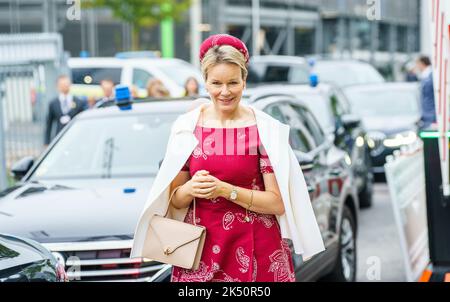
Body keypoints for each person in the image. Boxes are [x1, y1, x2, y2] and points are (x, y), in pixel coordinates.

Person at [130, 34, 324, 282]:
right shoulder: (187, 127)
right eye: (216, 83)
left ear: (244, 81)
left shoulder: (264, 129)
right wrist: (189, 189)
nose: (224, 92)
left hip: (259, 251)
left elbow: (276, 202)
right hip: (198, 253)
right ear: (205, 82)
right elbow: (176, 200)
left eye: (233, 82)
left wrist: (226, 190)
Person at [45, 75, 86, 145]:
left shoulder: (78, 102)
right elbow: (49, 124)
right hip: (59, 137)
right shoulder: (53, 103)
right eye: (62, 85)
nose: (64, 87)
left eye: (66, 84)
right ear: (57, 86)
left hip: (76, 137)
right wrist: (46, 142)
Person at [416, 55, 436, 129]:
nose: (417, 67)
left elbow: (429, 97)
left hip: (430, 113)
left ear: (422, 63)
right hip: (428, 113)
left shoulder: (429, 75)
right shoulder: (426, 75)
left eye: (418, 64)